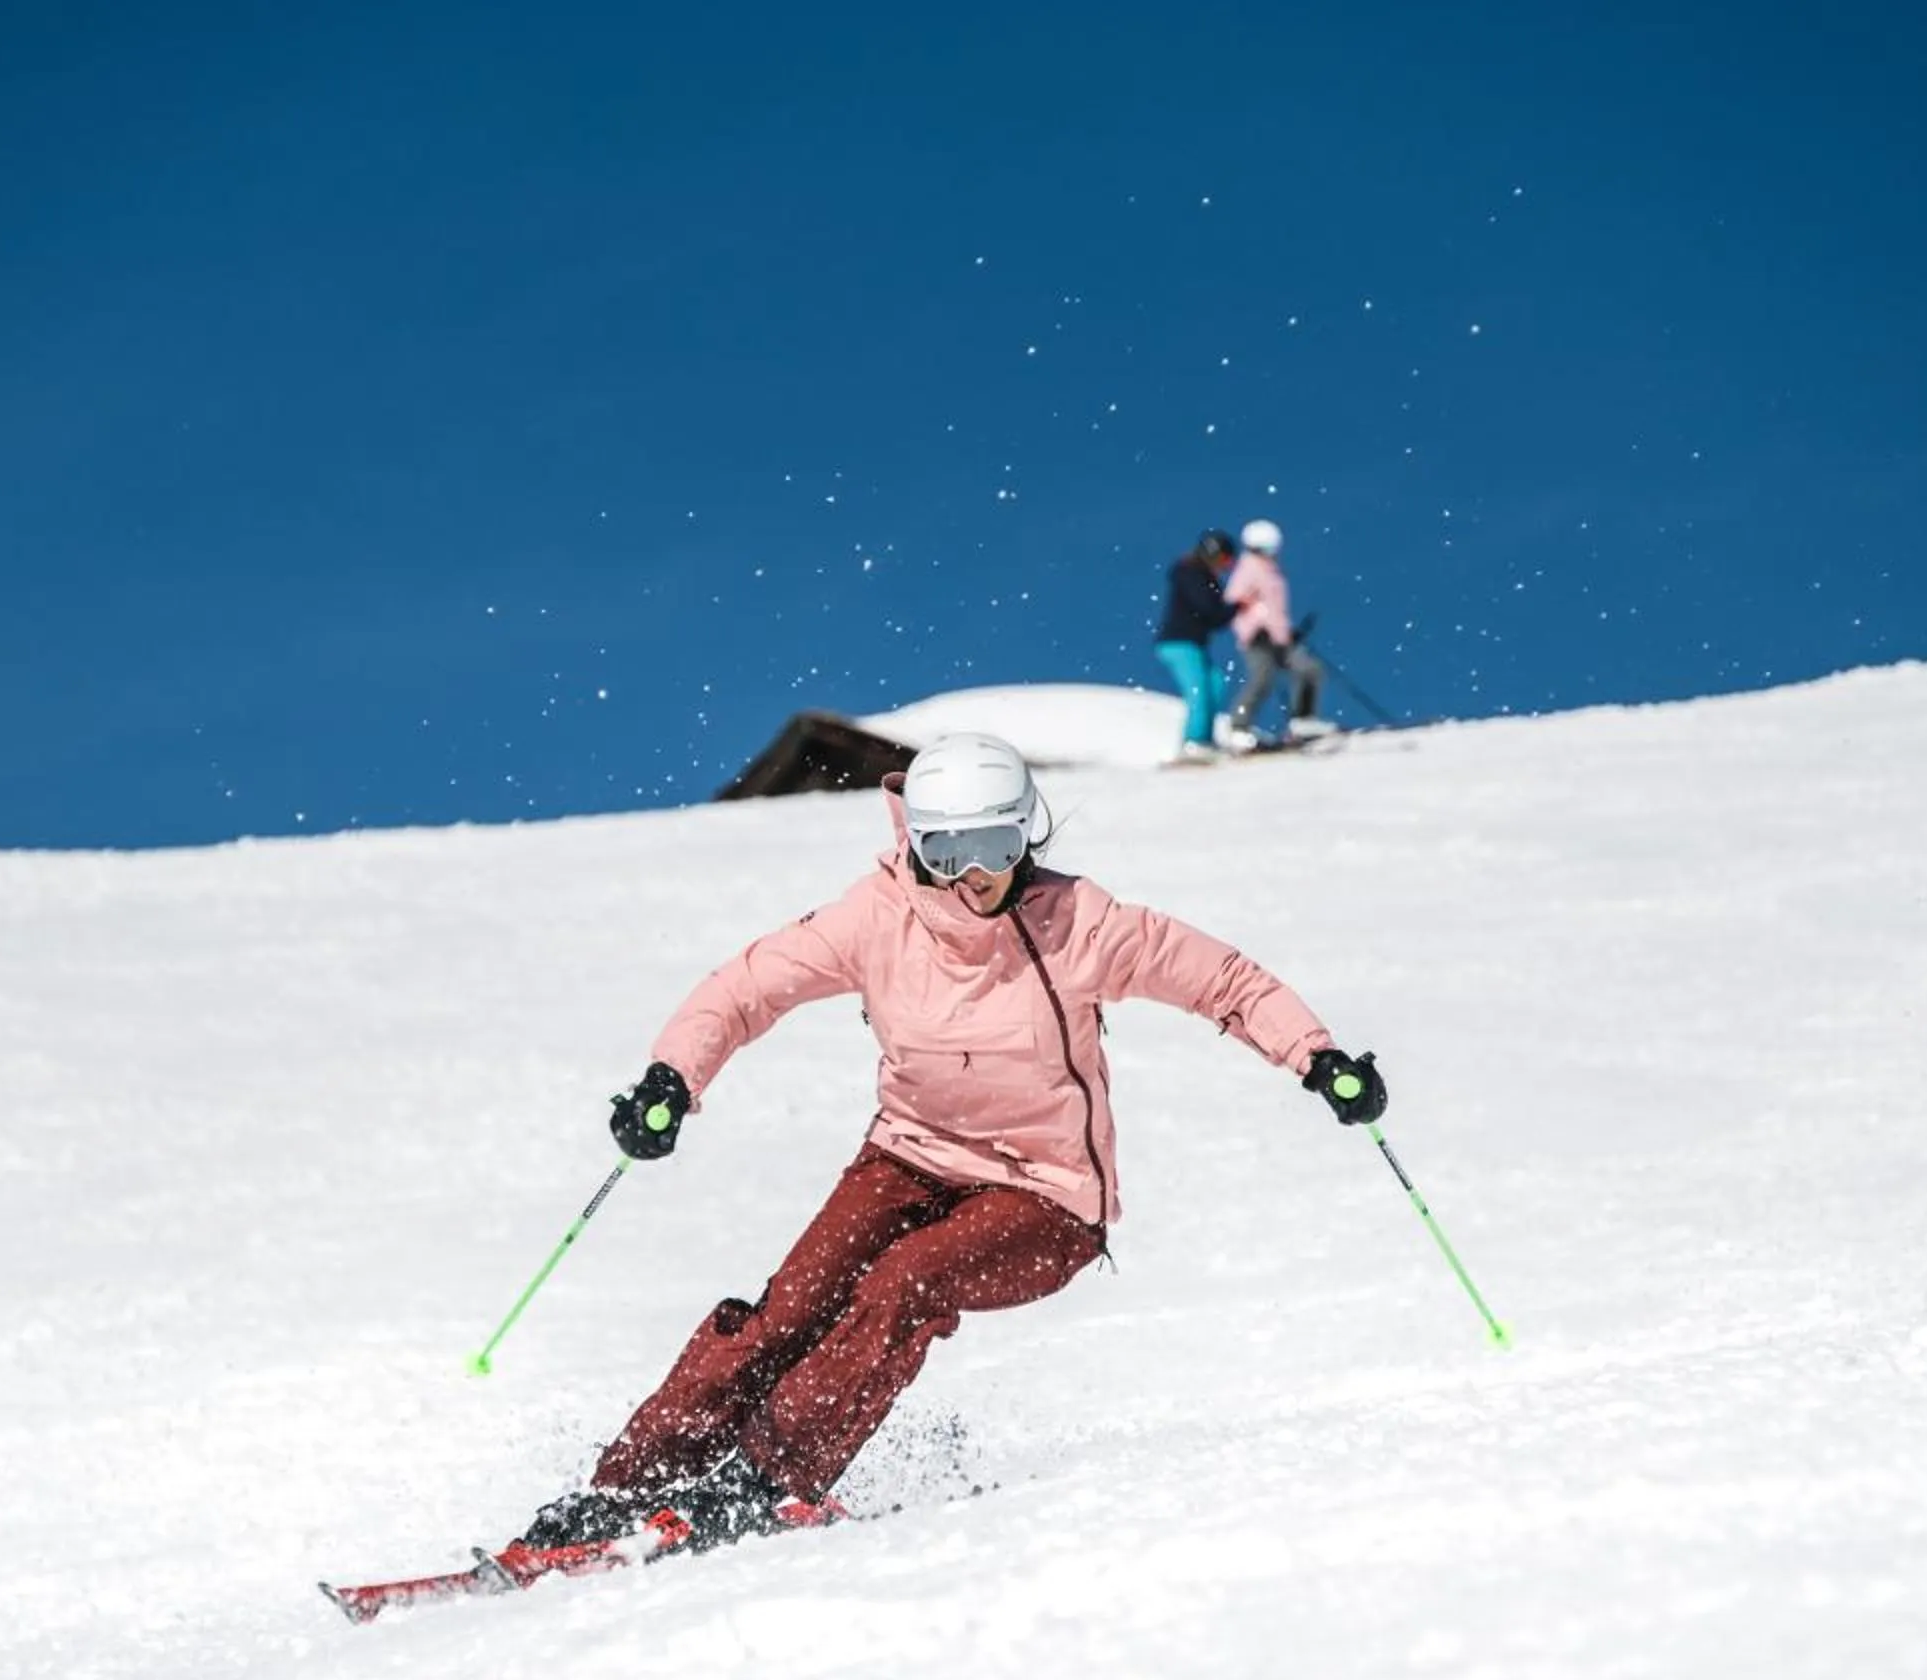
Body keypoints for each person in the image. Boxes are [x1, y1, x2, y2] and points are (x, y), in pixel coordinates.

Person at [519, 731, 1389, 1554]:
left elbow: (1222, 981)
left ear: (1028, 834)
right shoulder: (878, 917)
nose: (975, 877)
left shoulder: (1080, 923)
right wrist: (673, 1077)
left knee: (905, 1282)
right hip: (906, 1159)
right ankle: (624, 1491)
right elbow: (747, 989)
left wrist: (1317, 1057)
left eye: (996, 847)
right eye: (949, 854)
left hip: (1046, 1197)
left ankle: (769, 1481)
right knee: (789, 1311)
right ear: (916, 847)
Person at [1219, 518, 1333, 748]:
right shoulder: (1249, 569)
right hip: (1258, 639)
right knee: (1263, 679)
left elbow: (1273, 611)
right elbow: (1235, 603)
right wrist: (1254, 630)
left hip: (1278, 640)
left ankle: (1303, 721)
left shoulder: (1270, 572)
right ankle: (1238, 727)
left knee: (1310, 670)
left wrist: (1286, 634)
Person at [1152, 529, 1241, 763]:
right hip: (1178, 642)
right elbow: (1208, 608)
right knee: (1198, 690)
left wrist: (1232, 608)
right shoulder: (1190, 572)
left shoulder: (1206, 578)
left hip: (1193, 643)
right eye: (1224, 559)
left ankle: (1205, 740)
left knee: (1215, 685)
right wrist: (1235, 606)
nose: (1225, 565)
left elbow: (1217, 617)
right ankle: (1193, 743)